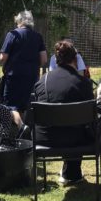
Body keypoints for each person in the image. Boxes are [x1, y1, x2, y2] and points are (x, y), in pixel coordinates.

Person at [33, 40, 95, 186]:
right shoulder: (84, 83)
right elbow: (90, 117)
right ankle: (72, 174)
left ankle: (71, 173)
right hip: (77, 140)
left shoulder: (43, 81)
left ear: (56, 59)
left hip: (45, 137)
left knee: (69, 126)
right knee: (76, 127)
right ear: (75, 59)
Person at [0, 10, 47, 111]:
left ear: (19, 21)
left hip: (14, 76)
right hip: (32, 75)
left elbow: (2, 58)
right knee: (28, 104)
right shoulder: (38, 36)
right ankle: (26, 123)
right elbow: (44, 59)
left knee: (10, 105)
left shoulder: (12, 34)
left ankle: (15, 125)